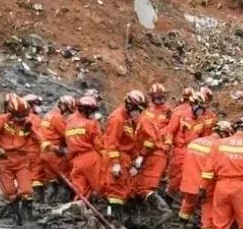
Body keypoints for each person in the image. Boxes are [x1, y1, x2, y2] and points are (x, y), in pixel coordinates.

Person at [178, 120, 231, 229]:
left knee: (187, 205)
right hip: (205, 186)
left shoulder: (195, 142)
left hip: (188, 184)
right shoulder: (218, 146)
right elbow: (215, 169)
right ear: (224, 133)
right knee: (208, 215)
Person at [0, 94, 40, 223]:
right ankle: (15, 216)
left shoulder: (28, 124)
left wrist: (46, 145)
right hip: (5, 159)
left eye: (23, 115)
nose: (21, 118)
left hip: (22, 160)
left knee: (26, 190)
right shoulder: (1, 120)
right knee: (9, 192)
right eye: (18, 115)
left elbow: (37, 137)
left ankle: (27, 218)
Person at [129, 84, 173, 218]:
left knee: (145, 187)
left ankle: (164, 211)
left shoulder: (164, 112)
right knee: (137, 186)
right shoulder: (145, 116)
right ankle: (144, 215)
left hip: (156, 153)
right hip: (151, 154)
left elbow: (152, 139)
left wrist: (140, 157)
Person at [102, 89, 147, 218]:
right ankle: (112, 219)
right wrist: (115, 163)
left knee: (122, 189)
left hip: (124, 157)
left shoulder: (129, 120)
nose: (139, 113)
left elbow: (130, 142)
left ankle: (116, 217)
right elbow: (112, 143)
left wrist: (136, 160)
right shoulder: (118, 119)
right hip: (115, 157)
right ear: (130, 106)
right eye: (138, 109)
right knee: (115, 190)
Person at [64, 95, 103, 200]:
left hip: (75, 161)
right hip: (91, 158)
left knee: (81, 190)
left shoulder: (69, 123)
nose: (93, 114)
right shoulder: (91, 124)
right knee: (102, 186)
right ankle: (109, 212)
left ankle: (81, 212)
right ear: (86, 110)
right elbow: (99, 145)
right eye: (92, 111)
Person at [38, 95, 76, 203]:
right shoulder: (58, 118)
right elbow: (67, 135)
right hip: (54, 153)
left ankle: (48, 205)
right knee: (64, 179)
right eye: (68, 111)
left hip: (44, 151)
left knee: (51, 179)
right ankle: (61, 204)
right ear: (65, 107)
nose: (67, 113)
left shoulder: (48, 115)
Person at [22, 94, 46, 202]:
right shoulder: (34, 118)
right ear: (31, 105)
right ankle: (36, 201)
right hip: (34, 150)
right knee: (37, 176)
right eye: (37, 105)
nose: (39, 107)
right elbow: (38, 134)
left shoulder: (18, 117)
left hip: (21, 152)